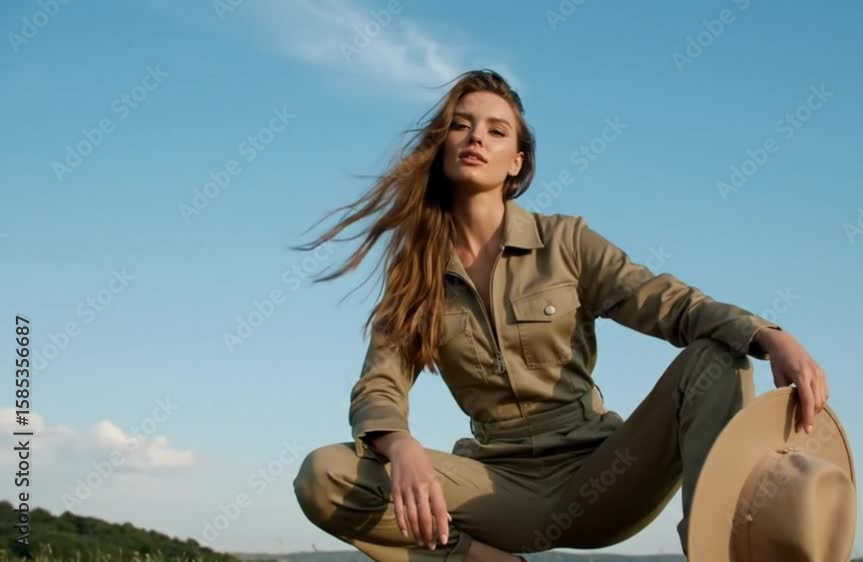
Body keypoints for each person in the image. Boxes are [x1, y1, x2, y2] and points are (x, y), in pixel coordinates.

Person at [291, 69, 830, 562]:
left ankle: (718, 551)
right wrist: (401, 446)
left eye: (497, 131)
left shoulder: (566, 242)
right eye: (461, 125)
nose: (476, 137)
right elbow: (379, 386)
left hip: (602, 478)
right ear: (443, 145)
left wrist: (767, 334)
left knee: (718, 356)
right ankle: (480, 559)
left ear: (517, 161)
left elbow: (666, 302)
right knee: (324, 475)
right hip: (498, 491)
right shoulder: (416, 273)